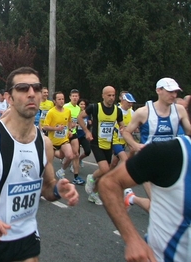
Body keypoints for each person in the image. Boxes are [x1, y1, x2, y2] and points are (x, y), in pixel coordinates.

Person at [0, 67, 78, 262]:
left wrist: (57, 190)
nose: (31, 93)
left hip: (26, 237)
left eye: (36, 88)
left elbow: (46, 186)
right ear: (9, 98)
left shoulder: (44, 144)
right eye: (22, 88)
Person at [99, 123, 191, 261]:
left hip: (159, 175)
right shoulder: (171, 151)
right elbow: (109, 184)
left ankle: (131, 198)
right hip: (144, 156)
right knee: (108, 167)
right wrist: (132, 239)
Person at [122, 78, 191, 211]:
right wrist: (135, 146)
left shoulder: (180, 110)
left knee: (173, 206)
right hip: (149, 162)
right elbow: (126, 132)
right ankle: (132, 198)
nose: (174, 95)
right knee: (158, 206)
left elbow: (188, 131)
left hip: (171, 162)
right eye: (170, 91)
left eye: (176, 92)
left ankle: (130, 198)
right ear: (158, 90)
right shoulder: (143, 112)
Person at [77, 86, 124, 205]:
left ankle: (94, 194)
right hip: (96, 142)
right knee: (104, 169)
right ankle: (91, 178)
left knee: (105, 173)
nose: (111, 98)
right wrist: (87, 131)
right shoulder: (95, 107)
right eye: (109, 95)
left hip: (109, 143)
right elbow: (80, 117)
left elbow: (122, 127)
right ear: (103, 95)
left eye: (113, 95)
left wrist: (127, 132)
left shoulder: (117, 111)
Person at [42, 91, 78, 184]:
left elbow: (69, 122)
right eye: (59, 99)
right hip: (52, 142)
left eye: (63, 99)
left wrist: (70, 130)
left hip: (63, 140)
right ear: (54, 101)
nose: (62, 101)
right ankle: (44, 181)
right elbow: (45, 127)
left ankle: (61, 171)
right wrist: (56, 128)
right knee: (48, 163)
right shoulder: (51, 112)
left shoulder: (67, 111)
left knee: (70, 155)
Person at [110, 93, 136, 169]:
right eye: (128, 102)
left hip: (125, 141)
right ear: (123, 101)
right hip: (115, 141)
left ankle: (107, 175)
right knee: (125, 160)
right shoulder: (116, 110)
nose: (130, 104)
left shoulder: (132, 112)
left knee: (115, 163)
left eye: (132, 102)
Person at [63, 89, 84, 184]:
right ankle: (62, 170)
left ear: (78, 97)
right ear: (70, 97)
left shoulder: (79, 108)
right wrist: (69, 125)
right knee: (67, 155)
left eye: (77, 96)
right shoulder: (66, 107)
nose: (75, 97)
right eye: (73, 96)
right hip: (65, 133)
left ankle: (76, 177)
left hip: (74, 133)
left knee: (76, 155)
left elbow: (78, 120)